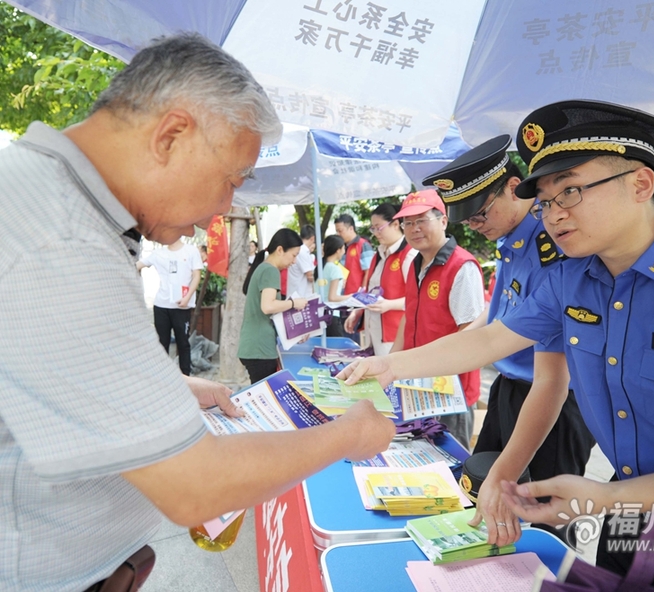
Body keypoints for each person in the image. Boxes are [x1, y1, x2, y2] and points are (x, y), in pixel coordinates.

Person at [339, 100, 654, 590]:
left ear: (641, 184)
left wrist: (607, 499)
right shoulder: (572, 280)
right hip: (629, 528)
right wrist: (388, 367)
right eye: (544, 201)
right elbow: (494, 338)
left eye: (571, 192)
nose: (553, 215)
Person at [0, 33, 394, 591]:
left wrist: (163, 384)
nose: (223, 208)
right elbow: (195, 488)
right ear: (172, 135)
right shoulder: (59, 243)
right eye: (232, 180)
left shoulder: (50, 205)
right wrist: (346, 436)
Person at [423, 136, 595, 520]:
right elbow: (496, 316)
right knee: (479, 493)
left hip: (555, 399)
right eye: (467, 219)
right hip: (511, 388)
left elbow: (552, 377)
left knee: (540, 515)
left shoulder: (555, 248)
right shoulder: (511, 240)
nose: (475, 226)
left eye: (480, 214)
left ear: (514, 188)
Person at [389, 190, 486, 450]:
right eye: (407, 223)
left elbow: (470, 335)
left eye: (421, 220)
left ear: (443, 220)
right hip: (416, 385)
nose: (414, 229)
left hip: (449, 393)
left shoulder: (461, 266)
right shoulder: (415, 264)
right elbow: (408, 317)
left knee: (449, 461)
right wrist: (389, 363)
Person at [344, 202, 417, 355]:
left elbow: (417, 298)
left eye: (379, 227)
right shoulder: (379, 255)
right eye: (373, 228)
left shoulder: (409, 255)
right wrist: (358, 310)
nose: (376, 233)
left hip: (395, 336)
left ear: (396, 224)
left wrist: (389, 304)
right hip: (374, 331)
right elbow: (371, 292)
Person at [239, 228, 309, 383]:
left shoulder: (264, 268)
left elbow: (270, 310)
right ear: (280, 250)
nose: (294, 261)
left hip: (255, 346)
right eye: (294, 255)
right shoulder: (271, 271)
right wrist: (293, 303)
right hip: (260, 348)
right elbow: (268, 306)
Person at [136, 238, 204, 376]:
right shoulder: (158, 253)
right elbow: (137, 265)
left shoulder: (190, 251)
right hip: (161, 305)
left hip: (181, 305)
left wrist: (187, 297)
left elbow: (197, 276)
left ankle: (186, 377)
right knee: (162, 343)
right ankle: (163, 376)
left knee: (183, 343)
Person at [316, 234, 351, 336]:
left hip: (318, 314)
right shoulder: (335, 269)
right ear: (338, 250)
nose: (344, 251)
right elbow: (333, 297)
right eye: (343, 248)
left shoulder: (319, 267)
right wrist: (352, 296)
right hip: (331, 315)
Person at [286, 223, 316, 297]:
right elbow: (310, 276)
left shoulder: (304, 251)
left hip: (300, 294)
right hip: (299, 295)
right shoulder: (302, 251)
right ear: (312, 238)